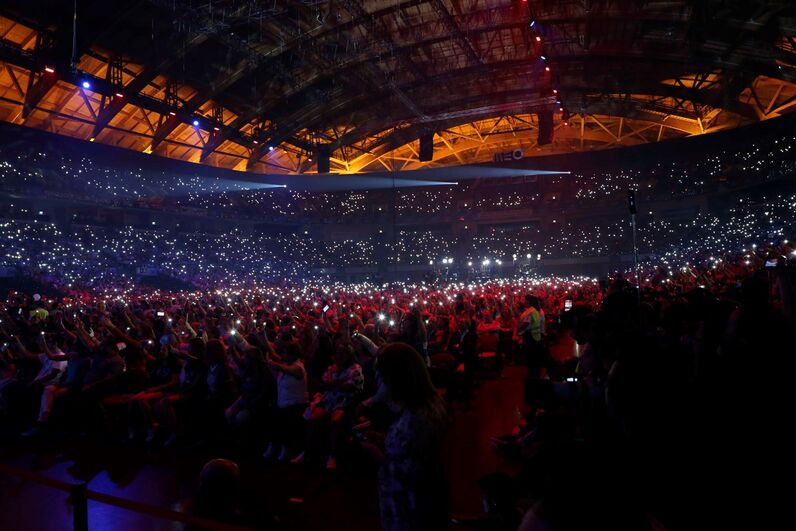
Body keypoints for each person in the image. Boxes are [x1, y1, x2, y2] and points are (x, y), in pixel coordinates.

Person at [362, 342, 450, 531]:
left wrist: (376, 453)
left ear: (394, 379)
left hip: (409, 509)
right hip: (430, 499)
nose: (377, 380)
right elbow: (414, 453)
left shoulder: (412, 419)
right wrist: (385, 439)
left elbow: (408, 474)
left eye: (381, 376)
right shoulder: (431, 403)